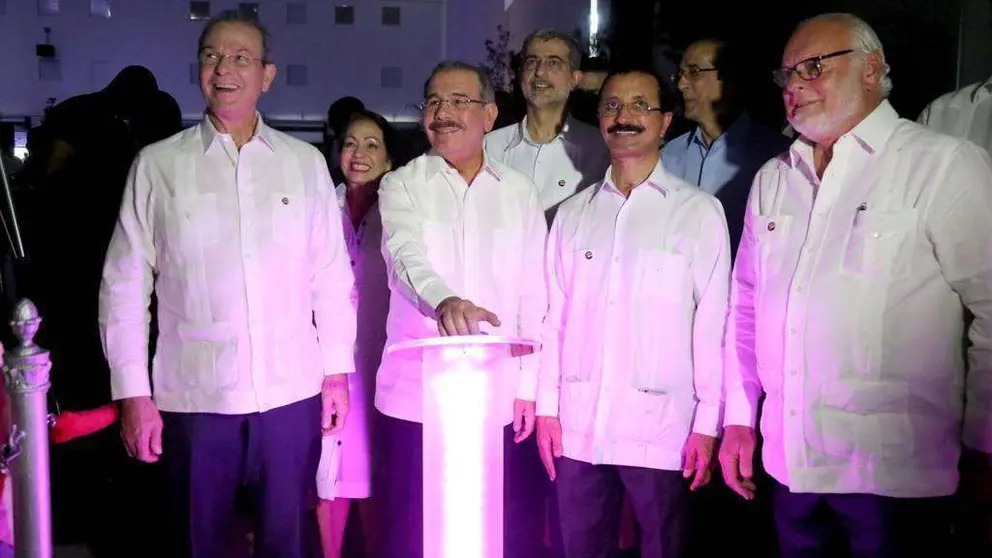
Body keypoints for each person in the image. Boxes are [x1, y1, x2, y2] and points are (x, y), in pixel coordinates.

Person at [720, 13, 992, 557]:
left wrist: (984, 447)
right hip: (789, 467)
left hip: (895, 478)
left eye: (814, 68)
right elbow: (745, 304)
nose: (794, 86)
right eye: (786, 75)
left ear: (872, 70)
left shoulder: (941, 165)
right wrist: (737, 418)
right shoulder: (775, 177)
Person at [98, 10, 356, 558]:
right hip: (193, 399)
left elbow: (331, 275)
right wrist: (132, 394)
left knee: (288, 542)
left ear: (267, 75)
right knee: (193, 542)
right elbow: (123, 286)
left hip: (290, 395)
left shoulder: (303, 164)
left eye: (241, 57)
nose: (224, 69)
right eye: (213, 56)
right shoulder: (158, 165)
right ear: (199, 69)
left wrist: (336, 373)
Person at [535, 66, 728, 558]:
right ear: (599, 118)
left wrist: (709, 425)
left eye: (641, 105)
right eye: (613, 105)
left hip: (663, 431)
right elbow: (552, 320)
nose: (625, 116)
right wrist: (547, 410)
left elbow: (713, 327)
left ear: (666, 122)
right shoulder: (573, 215)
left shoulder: (697, 212)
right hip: (580, 428)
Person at [374, 60, 547, 558]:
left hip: (498, 397)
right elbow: (405, 257)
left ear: (489, 114)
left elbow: (535, 293)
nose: (442, 112)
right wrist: (444, 301)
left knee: (495, 532)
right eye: (433, 102)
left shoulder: (518, 191)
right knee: (413, 532)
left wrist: (530, 388)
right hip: (415, 398)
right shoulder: (402, 184)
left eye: (457, 101)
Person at [315, 109, 398, 558]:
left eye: (372, 145)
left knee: (373, 472)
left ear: (388, 159)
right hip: (325, 362)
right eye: (350, 143)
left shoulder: (399, 213)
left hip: (378, 361)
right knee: (328, 473)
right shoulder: (319, 206)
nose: (359, 153)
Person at [662, 38, 791, 258]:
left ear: (730, 80)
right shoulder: (667, 157)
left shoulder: (778, 158)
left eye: (694, 72)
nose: (681, 84)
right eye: (680, 74)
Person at [486, 28, 608, 225]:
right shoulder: (489, 147)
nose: (540, 72)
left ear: (574, 79)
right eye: (532, 62)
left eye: (553, 63)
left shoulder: (599, 150)